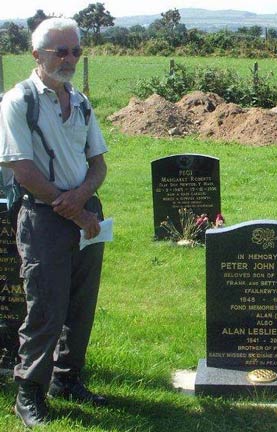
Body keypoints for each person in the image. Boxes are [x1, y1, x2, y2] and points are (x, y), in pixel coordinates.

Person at [0, 18, 108, 427]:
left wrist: (82, 200)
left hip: (84, 215)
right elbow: (22, 170)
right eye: (60, 51)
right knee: (45, 309)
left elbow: (98, 163)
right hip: (43, 219)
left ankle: (67, 380)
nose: (69, 59)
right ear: (36, 55)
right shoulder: (18, 101)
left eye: (76, 51)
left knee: (80, 307)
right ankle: (28, 395)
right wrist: (73, 208)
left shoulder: (80, 101)